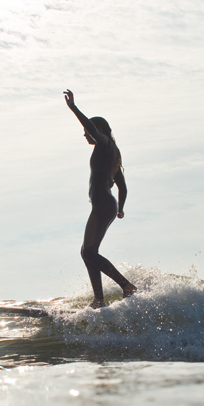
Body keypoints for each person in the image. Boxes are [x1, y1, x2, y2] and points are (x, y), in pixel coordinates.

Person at [64, 89, 138, 309]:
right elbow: (123, 187)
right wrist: (121, 208)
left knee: (88, 252)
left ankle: (125, 286)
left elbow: (91, 128)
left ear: (100, 131)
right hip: (106, 204)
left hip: (103, 204)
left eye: (89, 133)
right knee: (88, 252)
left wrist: (74, 108)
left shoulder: (105, 144)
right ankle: (99, 299)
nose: (85, 135)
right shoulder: (112, 156)